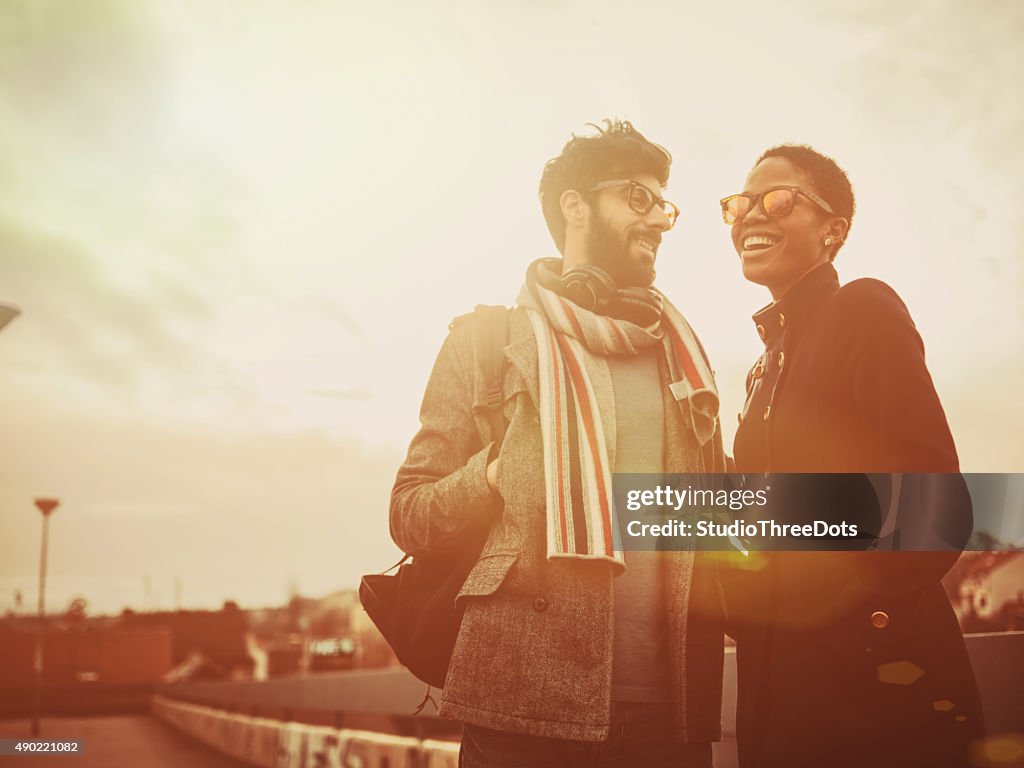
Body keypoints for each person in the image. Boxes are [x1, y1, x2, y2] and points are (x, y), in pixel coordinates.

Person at [390, 119, 727, 767]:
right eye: (638, 197)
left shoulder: (683, 362)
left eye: (664, 203)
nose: (658, 218)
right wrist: (491, 472)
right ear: (575, 206)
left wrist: (880, 519)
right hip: (523, 708)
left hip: (670, 715)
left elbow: (711, 521)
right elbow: (407, 514)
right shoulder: (485, 343)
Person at [720, 144, 984, 767]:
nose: (750, 214)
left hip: (879, 696)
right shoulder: (763, 369)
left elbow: (936, 503)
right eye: (739, 203)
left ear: (832, 230)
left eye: (778, 198)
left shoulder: (862, 308)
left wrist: (862, 630)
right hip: (780, 695)